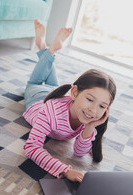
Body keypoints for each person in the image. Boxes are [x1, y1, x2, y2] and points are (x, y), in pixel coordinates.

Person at [23, 20, 116, 182]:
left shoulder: (87, 117)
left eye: (102, 106)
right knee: (34, 83)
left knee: (52, 83)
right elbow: (31, 147)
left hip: (57, 93)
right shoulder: (50, 111)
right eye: (90, 99)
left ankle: (44, 46)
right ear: (74, 93)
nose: (93, 111)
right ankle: (48, 49)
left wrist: (91, 126)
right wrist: (65, 170)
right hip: (37, 98)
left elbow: (79, 153)